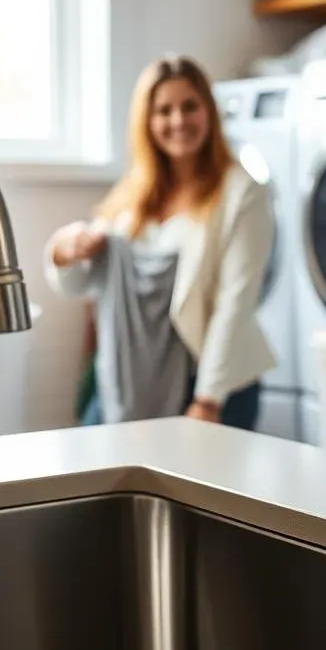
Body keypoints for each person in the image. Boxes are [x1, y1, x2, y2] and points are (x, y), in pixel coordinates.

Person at [44, 54, 276, 430]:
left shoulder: (241, 193)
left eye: (190, 107)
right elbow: (80, 284)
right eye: (164, 110)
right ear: (147, 122)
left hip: (210, 382)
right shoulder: (133, 195)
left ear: (209, 113)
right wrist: (63, 247)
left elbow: (236, 300)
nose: (178, 121)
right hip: (131, 384)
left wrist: (207, 399)